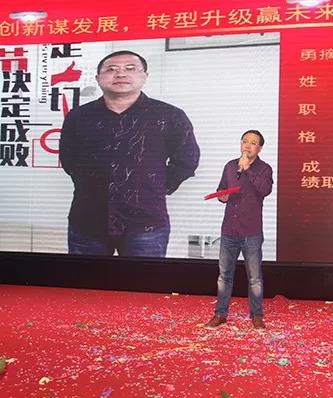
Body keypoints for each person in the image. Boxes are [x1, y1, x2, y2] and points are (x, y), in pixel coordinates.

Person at [59, 50, 200, 257]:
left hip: (146, 223)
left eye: (130, 68)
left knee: (143, 277)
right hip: (88, 220)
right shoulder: (79, 117)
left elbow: (186, 160)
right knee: (85, 276)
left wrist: (154, 187)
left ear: (145, 76)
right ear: (98, 78)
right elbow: (69, 159)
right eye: (111, 69)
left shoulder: (169, 115)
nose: (120, 74)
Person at [205, 130, 273, 330]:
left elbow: (265, 190)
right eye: (245, 141)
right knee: (224, 276)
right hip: (229, 230)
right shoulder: (229, 166)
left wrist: (247, 169)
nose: (247, 146)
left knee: (254, 278)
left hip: (251, 231)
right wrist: (222, 196)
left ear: (259, 148)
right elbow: (221, 189)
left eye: (253, 143)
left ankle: (257, 316)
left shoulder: (265, 169)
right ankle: (220, 314)